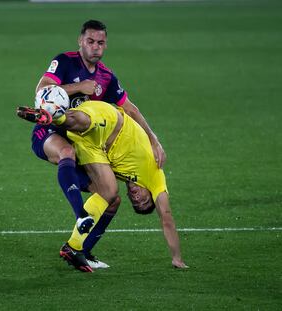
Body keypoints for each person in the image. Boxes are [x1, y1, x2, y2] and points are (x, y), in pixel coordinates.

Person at [30, 20, 166, 253]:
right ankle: (80, 214)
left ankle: (80, 252)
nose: (95, 47)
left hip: (83, 142)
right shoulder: (65, 61)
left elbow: (131, 109)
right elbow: (41, 91)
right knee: (66, 151)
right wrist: (78, 87)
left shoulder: (106, 77)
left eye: (100, 43)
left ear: (105, 45)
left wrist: (154, 139)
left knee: (111, 197)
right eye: (90, 41)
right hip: (50, 131)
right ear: (80, 41)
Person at [17, 92, 188, 273]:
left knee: (110, 193)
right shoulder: (156, 177)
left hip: (96, 148)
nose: (137, 198)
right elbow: (166, 218)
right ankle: (56, 116)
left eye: (135, 202)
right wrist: (177, 257)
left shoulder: (125, 174)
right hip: (114, 122)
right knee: (89, 123)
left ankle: (74, 247)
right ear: (151, 194)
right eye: (144, 200)